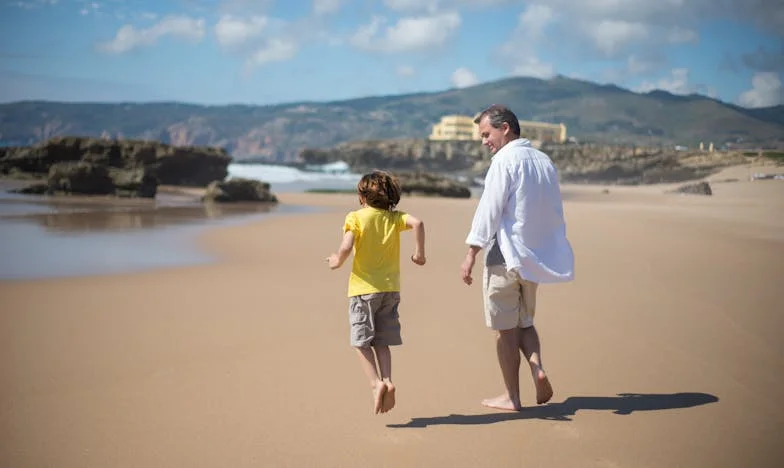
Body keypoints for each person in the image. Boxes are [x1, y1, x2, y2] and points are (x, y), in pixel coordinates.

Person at [460, 104, 575, 411]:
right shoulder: (544, 161)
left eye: (487, 134)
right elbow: (552, 210)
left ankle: (512, 397)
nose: (485, 141)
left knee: (505, 330)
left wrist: (471, 252)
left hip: (504, 256)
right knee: (525, 321)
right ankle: (537, 366)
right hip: (533, 258)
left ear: (505, 128)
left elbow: (489, 209)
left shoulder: (504, 160)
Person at [326, 170, 426, 415]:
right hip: (390, 289)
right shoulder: (393, 218)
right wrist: (419, 254)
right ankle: (388, 380)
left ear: (362, 197)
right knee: (382, 341)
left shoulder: (356, 218)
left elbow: (347, 245)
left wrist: (336, 260)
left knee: (361, 342)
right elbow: (418, 223)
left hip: (363, 290)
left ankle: (375, 383)